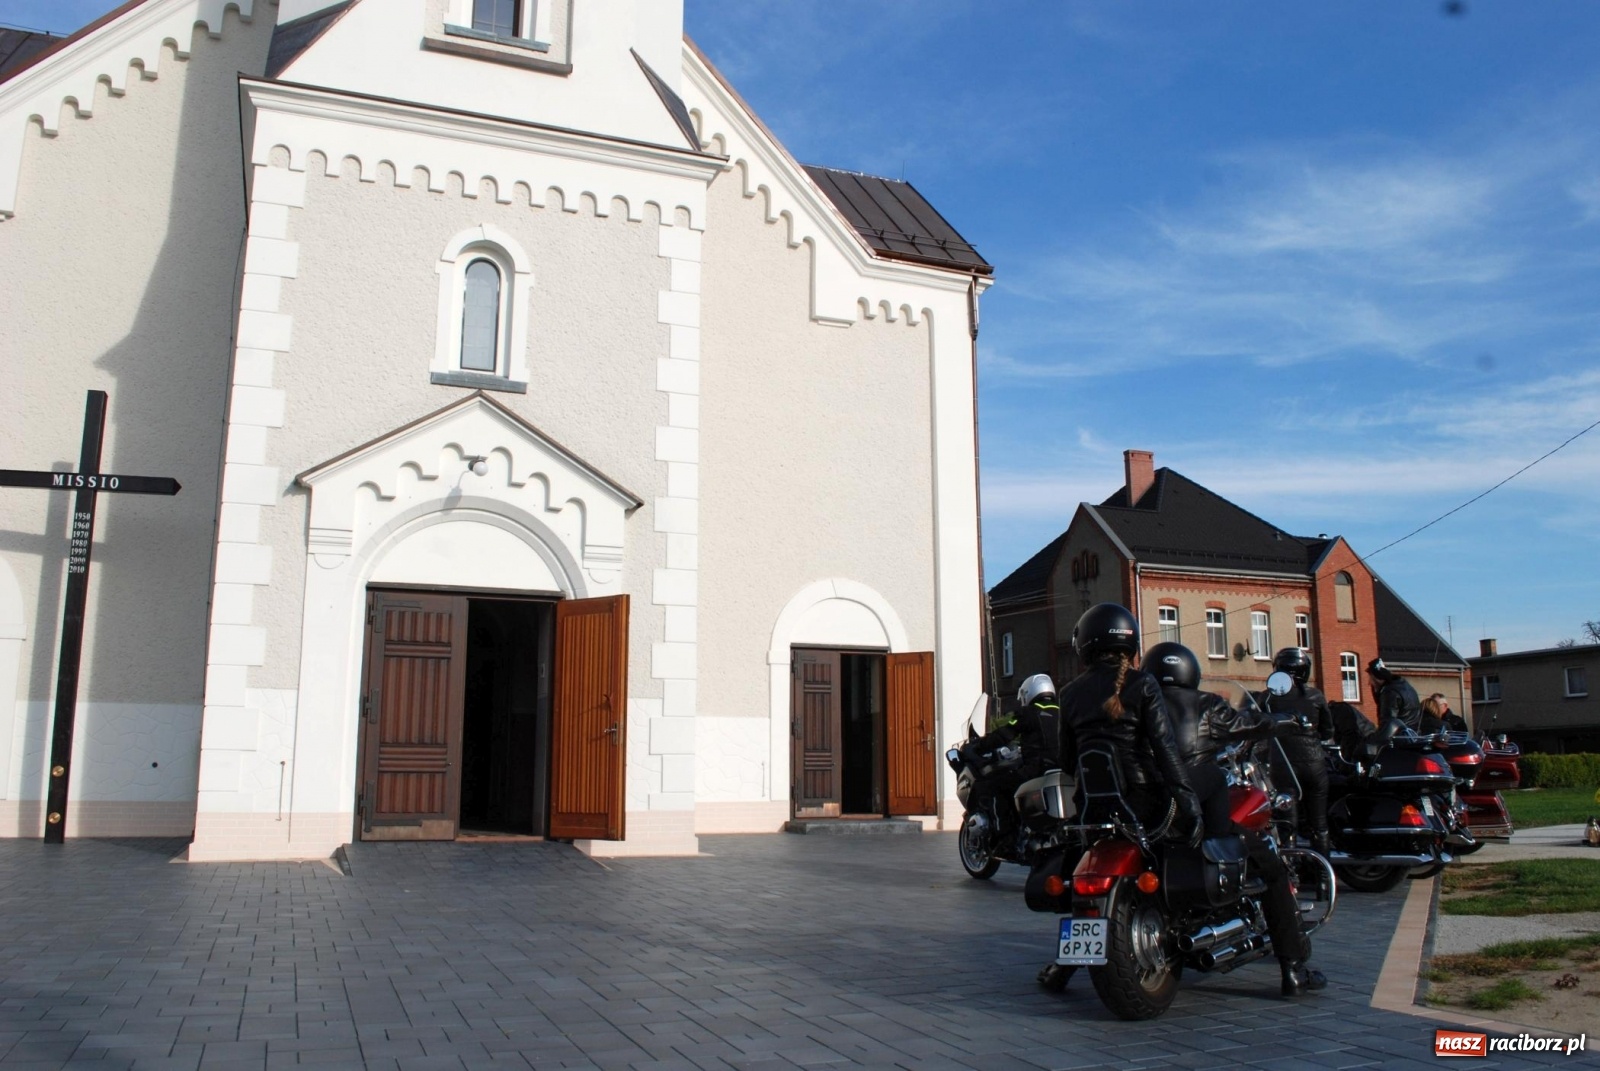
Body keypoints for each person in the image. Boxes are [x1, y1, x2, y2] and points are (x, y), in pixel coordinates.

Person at [1145, 641, 1328, 998]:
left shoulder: (1139, 707)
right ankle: (1292, 970)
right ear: (1191, 671)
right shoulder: (1206, 705)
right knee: (1272, 868)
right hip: (1194, 815)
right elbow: (1249, 723)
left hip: (1151, 815)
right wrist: (1288, 720)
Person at [1038, 605, 1202, 995]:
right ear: (1130, 642)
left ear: (1085, 646)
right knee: (1189, 845)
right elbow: (1165, 750)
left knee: (1081, 874)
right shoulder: (1144, 685)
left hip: (1094, 806)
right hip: (1144, 802)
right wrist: (1189, 801)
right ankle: (1189, 926)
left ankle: (1067, 962)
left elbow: (1065, 760)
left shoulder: (1070, 692)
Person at [963, 674, 1060, 845]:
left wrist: (980, 745)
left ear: (1029, 693)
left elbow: (1004, 734)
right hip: (1061, 769)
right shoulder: (1062, 711)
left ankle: (1004, 835)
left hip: (1035, 770)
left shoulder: (1027, 713)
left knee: (994, 785)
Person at [1262, 647, 1335, 856]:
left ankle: (1291, 876)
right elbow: (1327, 730)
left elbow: (1252, 725)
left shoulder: (1268, 697)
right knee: (1319, 825)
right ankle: (1324, 878)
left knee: (1287, 825)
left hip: (1285, 765)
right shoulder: (1316, 695)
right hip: (1315, 763)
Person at [1368, 658, 1422, 734]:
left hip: (1399, 738)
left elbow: (1388, 724)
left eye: (1370, 679)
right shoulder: (1405, 686)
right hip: (1413, 735)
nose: (1369, 683)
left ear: (1377, 679)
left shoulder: (1389, 693)